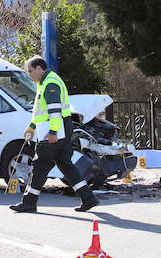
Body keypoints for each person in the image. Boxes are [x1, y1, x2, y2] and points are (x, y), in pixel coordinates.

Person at [9, 56, 99, 213]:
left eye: (30, 71)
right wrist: (32, 126)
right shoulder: (46, 82)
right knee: (65, 164)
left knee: (40, 165)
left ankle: (29, 203)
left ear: (39, 69)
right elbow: (41, 111)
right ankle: (88, 198)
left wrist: (53, 132)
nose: (29, 75)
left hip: (54, 129)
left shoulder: (50, 84)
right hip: (61, 128)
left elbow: (55, 111)